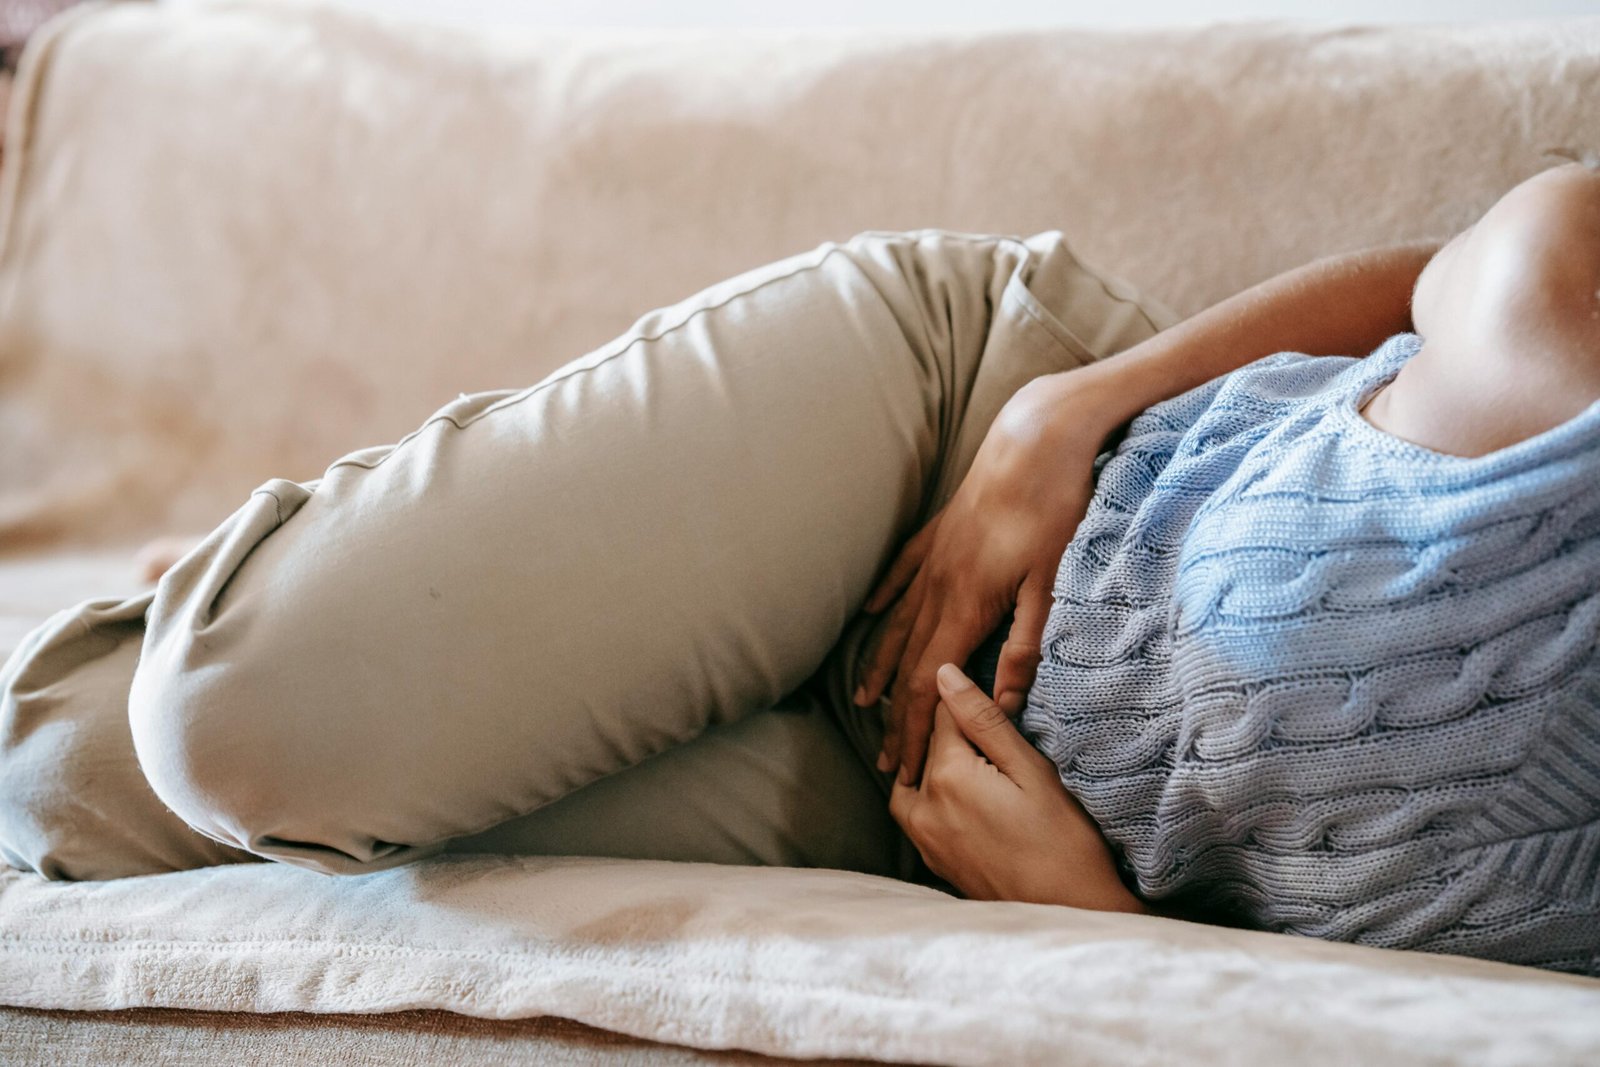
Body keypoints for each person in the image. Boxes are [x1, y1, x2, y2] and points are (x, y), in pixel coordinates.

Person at [1, 156, 1595, 976]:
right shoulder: (1570, 302)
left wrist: (1101, 923)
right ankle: (316, 570)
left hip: (925, 817)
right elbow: (1443, 270)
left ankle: (320, 571)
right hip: (957, 455)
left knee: (60, 781)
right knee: (230, 716)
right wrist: (1068, 408)